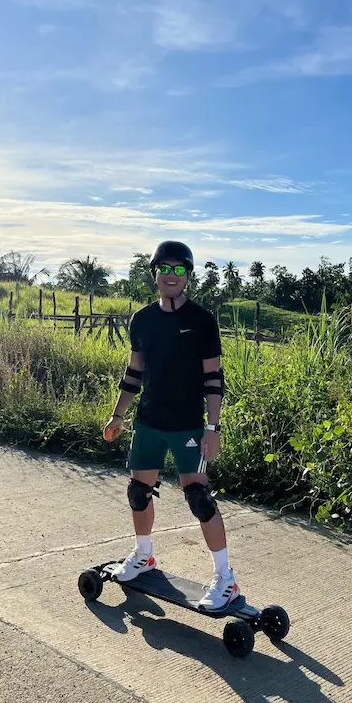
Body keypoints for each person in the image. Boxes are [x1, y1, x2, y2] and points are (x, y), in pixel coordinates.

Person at [102, 240, 240, 610]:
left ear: (189, 276)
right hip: (149, 421)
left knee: (199, 498)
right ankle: (143, 556)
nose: (171, 275)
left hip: (188, 427)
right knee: (137, 491)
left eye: (179, 269)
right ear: (155, 274)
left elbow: (214, 378)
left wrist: (214, 427)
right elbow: (135, 371)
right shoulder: (142, 319)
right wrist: (118, 415)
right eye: (164, 268)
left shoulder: (201, 321)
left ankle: (226, 579)